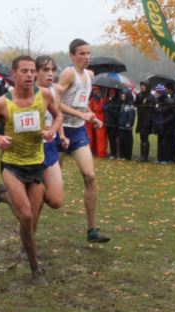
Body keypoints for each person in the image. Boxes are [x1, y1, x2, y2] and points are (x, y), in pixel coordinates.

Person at [0, 55, 62, 285]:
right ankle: (36, 268)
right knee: (25, 215)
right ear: (13, 74)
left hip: (35, 164)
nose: (29, 75)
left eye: (32, 71)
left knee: (31, 220)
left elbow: (58, 116)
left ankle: (4, 196)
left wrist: (52, 130)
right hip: (12, 165)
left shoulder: (44, 95)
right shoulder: (1, 103)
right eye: (24, 71)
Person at [58, 38, 110, 243]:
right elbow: (56, 103)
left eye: (89, 53)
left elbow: (81, 103)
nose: (87, 57)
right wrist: (82, 116)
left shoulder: (89, 75)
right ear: (72, 56)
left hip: (78, 132)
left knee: (90, 176)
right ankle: (10, 195)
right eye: (82, 53)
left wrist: (92, 116)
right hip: (59, 130)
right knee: (50, 188)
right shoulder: (68, 73)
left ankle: (92, 230)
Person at [134, 80, 155, 162]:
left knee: (145, 138)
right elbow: (135, 104)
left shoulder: (151, 97)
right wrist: (139, 100)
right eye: (141, 85)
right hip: (141, 119)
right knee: (142, 138)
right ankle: (142, 155)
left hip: (147, 120)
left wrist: (145, 104)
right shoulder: (140, 94)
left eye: (144, 85)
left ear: (147, 87)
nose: (142, 87)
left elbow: (152, 109)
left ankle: (144, 156)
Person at [87, 85, 107, 157]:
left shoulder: (104, 99)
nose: (95, 91)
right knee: (92, 136)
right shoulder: (93, 99)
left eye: (96, 90)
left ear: (99, 90)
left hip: (101, 119)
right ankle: (93, 150)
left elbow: (102, 109)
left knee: (100, 137)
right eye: (94, 90)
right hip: (93, 119)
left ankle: (101, 153)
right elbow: (91, 109)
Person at [117, 88, 136, 160]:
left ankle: (127, 156)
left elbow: (131, 116)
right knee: (121, 141)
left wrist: (129, 124)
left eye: (124, 94)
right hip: (121, 127)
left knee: (127, 142)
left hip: (127, 128)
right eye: (122, 94)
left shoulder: (131, 105)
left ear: (127, 95)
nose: (122, 95)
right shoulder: (122, 104)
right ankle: (122, 155)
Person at [104, 88, 120, 159]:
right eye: (110, 93)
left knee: (114, 139)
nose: (111, 94)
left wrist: (109, 109)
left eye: (112, 93)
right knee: (110, 139)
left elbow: (116, 113)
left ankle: (115, 153)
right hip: (108, 123)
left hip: (114, 124)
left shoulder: (117, 102)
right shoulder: (108, 101)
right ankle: (112, 152)